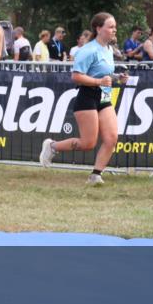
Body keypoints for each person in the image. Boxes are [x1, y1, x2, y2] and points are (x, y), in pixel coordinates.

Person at [39, 12, 128, 185]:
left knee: (111, 138)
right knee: (88, 143)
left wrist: (117, 77)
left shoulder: (108, 48)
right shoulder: (88, 50)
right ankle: (52, 146)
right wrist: (98, 81)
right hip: (87, 96)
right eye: (110, 27)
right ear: (98, 29)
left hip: (104, 94)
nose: (114, 30)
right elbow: (76, 77)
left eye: (114, 26)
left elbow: (105, 73)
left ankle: (95, 175)